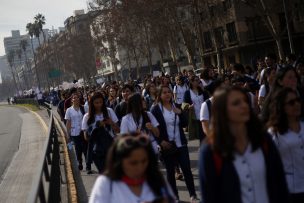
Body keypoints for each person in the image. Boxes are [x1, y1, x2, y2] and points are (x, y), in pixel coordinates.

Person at [199, 86, 289, 203]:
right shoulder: (210, 151)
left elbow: (280, 182)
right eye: (236, 103)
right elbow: (209, 197)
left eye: (245, 101)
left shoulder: (263, 140)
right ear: (222, 111)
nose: (244, 105)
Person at [89, 133, 176, 203]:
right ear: (119, 162)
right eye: (133, 163)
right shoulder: (106, 183)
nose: (140, 167)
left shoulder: (157, 179)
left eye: (144, 161)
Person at [151, 86, 199, 203]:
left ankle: (193, 195)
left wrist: (181, 113)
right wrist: (160, 141)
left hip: (181, 144)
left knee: (187, 170)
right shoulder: (156, 110)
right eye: (164, 93)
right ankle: (175, 197)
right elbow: (153, 129)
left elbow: (184, 123)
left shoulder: (176, 106)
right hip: (167, 146)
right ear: (159, 95)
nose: (167, 94)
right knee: (170, 173)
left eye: (169, 92)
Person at [267, 88, 304, 203]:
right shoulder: (274, 133)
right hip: (289, 190)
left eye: (298, 100)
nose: (296, 104)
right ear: (281, 106)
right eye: (291, 103)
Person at [82, 92, 120, 174]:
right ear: (91, 103)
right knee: (104, 174)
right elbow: (86, 137)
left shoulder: (109, 111)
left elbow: (118, 130)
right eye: (96, 103)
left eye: (101, 102)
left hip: (111, 147)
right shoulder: (87, 117)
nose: (99, 105)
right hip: (97, 150)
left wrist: (111, 123)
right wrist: (95, 128)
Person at [183, 75, 209, 142]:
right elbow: (184, 104)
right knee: (200, 135)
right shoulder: (188, 92)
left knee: (206, 135)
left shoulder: (202, 91)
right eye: (196, 80)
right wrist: (188, 107)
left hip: (205, 116)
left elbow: (207, 100)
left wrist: (203, 89)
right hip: (195, 116)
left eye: (199, 80)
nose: (198, 82)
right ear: (191, 82)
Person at [65, 93, 87, 170]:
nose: (76, 99)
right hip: (74, 132)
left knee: (85, 148)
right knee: (78, 149)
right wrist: (67, 134)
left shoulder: (83, 108)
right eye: (74, 98)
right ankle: (79, 162)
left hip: (83, 131)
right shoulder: (69, 110)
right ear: (72, 100)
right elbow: (68, 122)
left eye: (77, 97)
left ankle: (88, 164)